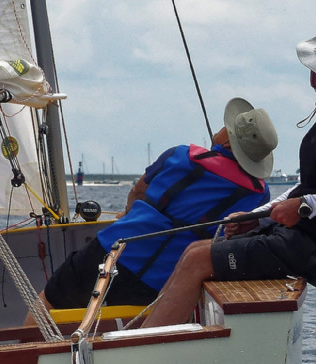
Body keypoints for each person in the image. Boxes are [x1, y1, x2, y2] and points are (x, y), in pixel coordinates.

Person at [142, 30, 316, 328]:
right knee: (194, 250)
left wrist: (303, 206)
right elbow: (309, 186)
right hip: (306, 242)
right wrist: (257, 217)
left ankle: (144, 346)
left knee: (197, 260)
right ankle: (149, 333)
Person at [29, 98, 278, 318]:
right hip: (159, 282)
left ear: (227, 138)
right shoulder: (258, 193)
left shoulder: (181, 155)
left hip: (109, 253)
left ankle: (27, 355)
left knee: (46, 307)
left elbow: (138, 192)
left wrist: (128, 216)